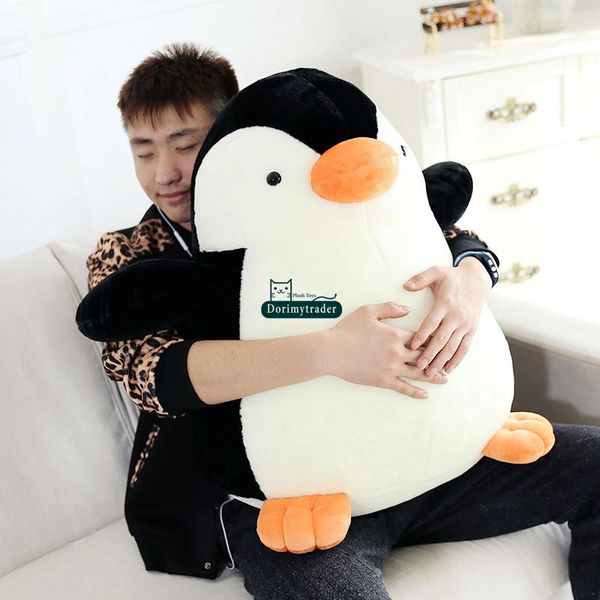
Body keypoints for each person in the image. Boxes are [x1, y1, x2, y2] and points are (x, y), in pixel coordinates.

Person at [86, 43, 599, 599]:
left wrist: (471, 279)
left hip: (432, 463)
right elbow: (152, 377)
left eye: (186, 146)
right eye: (143, 151)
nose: (164, 173)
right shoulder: (130, 254)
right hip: (288, 503)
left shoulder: (313, 200)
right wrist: (330, 351)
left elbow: (444, 230)